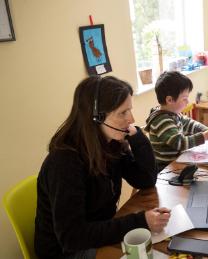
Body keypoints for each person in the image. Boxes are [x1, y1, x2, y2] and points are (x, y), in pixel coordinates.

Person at [35, 76, 171, 258]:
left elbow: (145, 179)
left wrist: (138, 137)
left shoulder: (110, 144)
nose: (131, 119)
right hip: (68, 251)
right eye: (122, 113)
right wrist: (140, 221)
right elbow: (72, 237)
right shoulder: (64, 162)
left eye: (129, 110)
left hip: (100, 232)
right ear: (96, 117)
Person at [146, 71, 208, 171]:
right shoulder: (162, 121)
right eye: (184, 98)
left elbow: (189, 123)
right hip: (166, 169)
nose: (187, 102)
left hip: (178, 162)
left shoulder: (173, 113)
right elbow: (179, 143)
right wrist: (204, 137)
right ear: (170, 100)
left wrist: (206, 130)